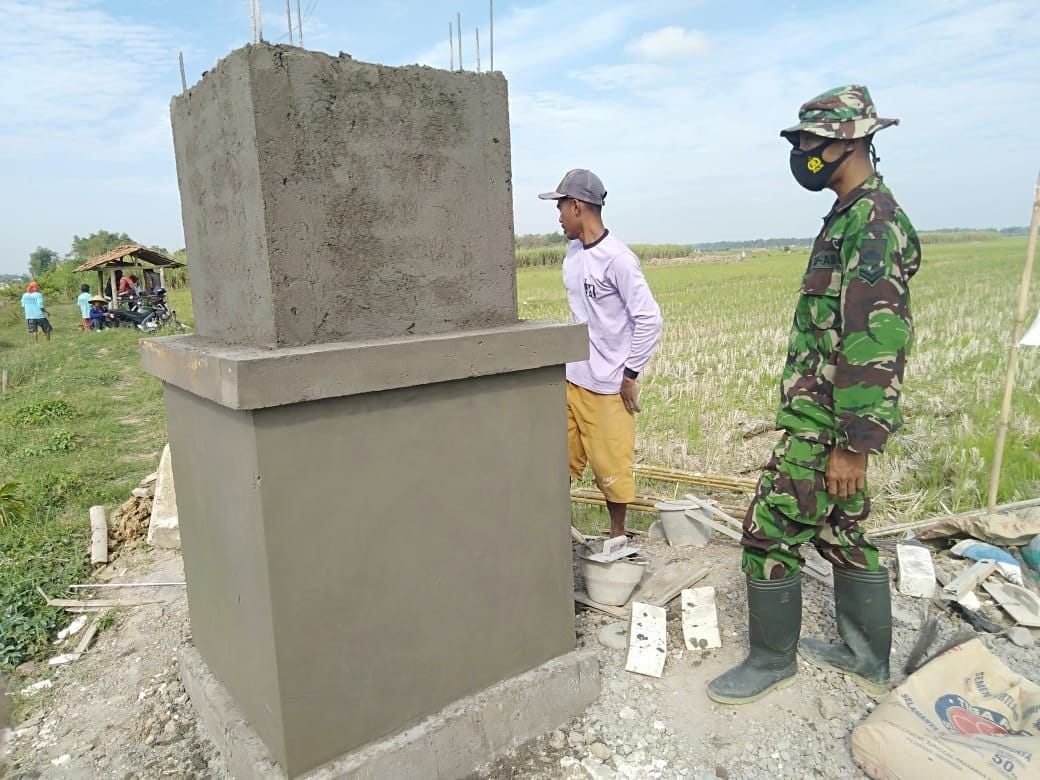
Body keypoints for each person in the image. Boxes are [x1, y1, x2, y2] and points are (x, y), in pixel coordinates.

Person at [707, 86, 921, 705]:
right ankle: (866, 655)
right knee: (840, 531)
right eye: (800, 141)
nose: (802, 153)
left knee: (770, 532)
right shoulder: (851, 214)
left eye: (811, 142)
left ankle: (772, 661)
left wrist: (853, 446)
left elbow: (875, 342)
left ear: (850, 141)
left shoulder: (874, 222)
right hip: (826, 421)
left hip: (825, 427)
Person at [539, 169, 663, 538]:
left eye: (560, 207)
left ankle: (617, 535)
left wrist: (630, 375)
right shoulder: (573, 253)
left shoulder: (617, 259)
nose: (558, 216)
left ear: (577, 206)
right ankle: (554, 531)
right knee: (556, 459)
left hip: (608, 385)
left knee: (612, 469)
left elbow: (649, 319)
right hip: (572, 379)